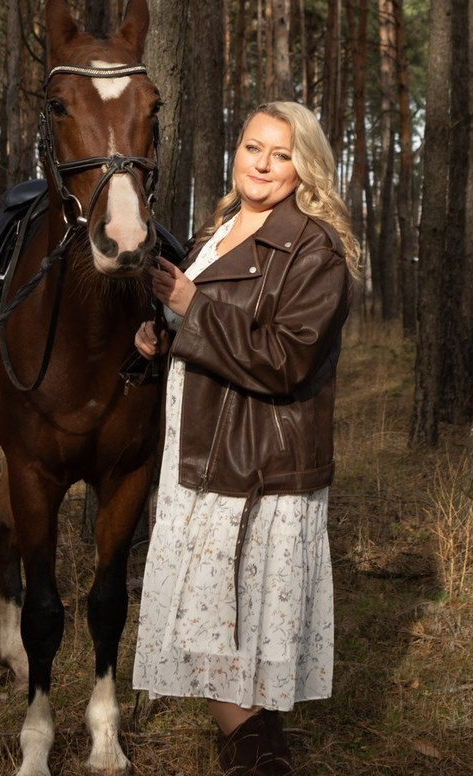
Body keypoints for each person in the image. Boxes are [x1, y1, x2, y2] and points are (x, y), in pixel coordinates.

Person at [131, 101, 360, 776]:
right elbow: (209, 329)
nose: (261, 164)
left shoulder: (315, 248)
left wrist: (191, 309)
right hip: (198, 452)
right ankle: (261, 757)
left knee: (211, 631)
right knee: (226, 629)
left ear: (304, 167)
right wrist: (163, 336)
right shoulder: (218, 228)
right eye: (252, 147)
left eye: (281, 154)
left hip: (254, 463)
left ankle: (260, 759)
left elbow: (288, 358)